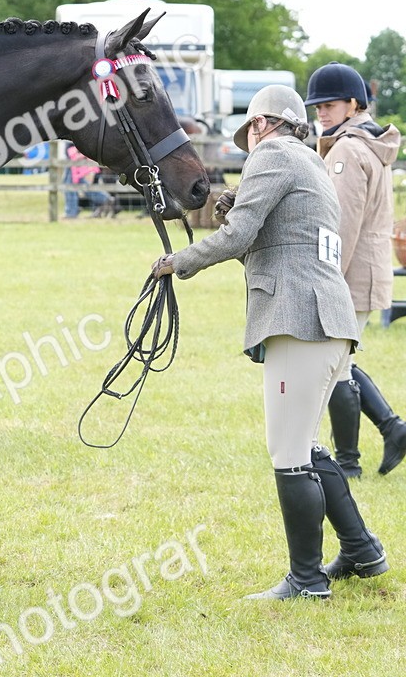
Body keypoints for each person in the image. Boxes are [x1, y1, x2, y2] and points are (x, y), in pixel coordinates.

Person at [152, 85, 388, 600]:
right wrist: (236, 223)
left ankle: (306, 581)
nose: (248, 141)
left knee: (288, 454)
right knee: (306, 443)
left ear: (262, 124)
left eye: (250, 130)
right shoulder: (310, 164)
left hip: (298, 320)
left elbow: (239, 238)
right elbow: (275, 246)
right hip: (327, 321)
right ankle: (361, 550)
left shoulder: (272, 157)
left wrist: (178, 262)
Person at [305, 62, 406, 478]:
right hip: (368, 268)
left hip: (349, 272)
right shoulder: (368, 141)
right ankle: (392, 428)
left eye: (329, 105)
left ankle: (348, 463)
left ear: (353, 103)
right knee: (340, 363)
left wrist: (324, 280)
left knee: (338, 368)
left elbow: (339, 224)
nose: (321, 114)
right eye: (317, 107)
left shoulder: (347, 149)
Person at [63, 143, 115, 218]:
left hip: (74, 153)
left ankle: (71, 212)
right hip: (73, 152)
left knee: (70, 185)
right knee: (78, 184)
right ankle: (105, 199)